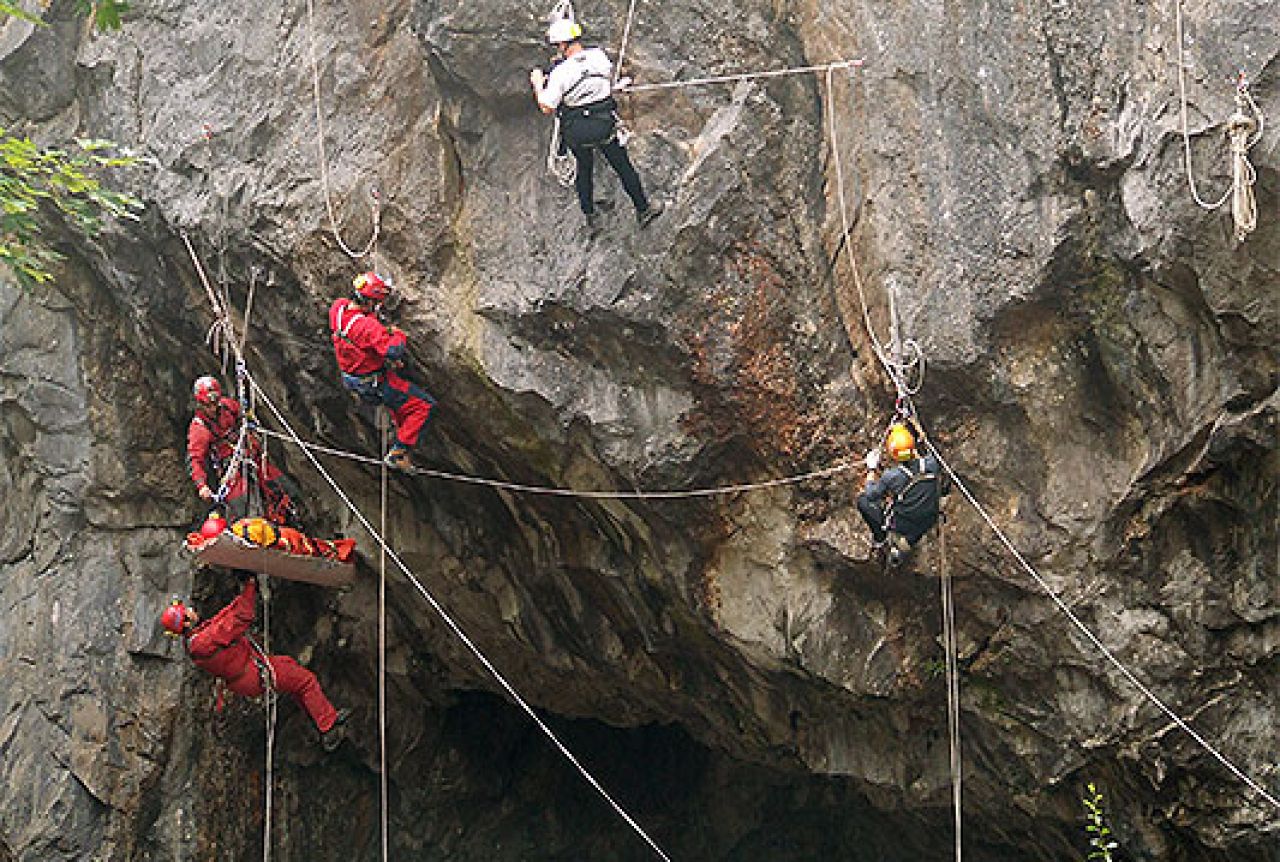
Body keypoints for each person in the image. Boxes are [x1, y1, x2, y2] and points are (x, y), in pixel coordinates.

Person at [160, 574, 350, 751]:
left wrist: (244, 589)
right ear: (184, 622)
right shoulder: (204, 641)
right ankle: (328, 728)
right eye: (186, 611)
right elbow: (241, 616)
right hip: (252, 673)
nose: (191, 610)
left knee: (291, 669)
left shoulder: (197, 639)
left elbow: (225, 617)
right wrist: (250, 586)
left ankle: (317, 719)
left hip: (249, 671)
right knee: (305, 680)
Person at [529, 18, 663, 234]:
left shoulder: (560, 74)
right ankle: (643, 209)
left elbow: (546, 106)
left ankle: (591, 218)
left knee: (584, 168)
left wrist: (537, 84)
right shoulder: (599, 56)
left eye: (557, 46)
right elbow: (606, 82)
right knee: (622, 165)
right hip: (604, 125)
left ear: (563, 45)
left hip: (577, 132)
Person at [329, 272, 435, 471]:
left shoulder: (338, 309)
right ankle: (399, 452)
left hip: (354, 377)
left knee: (400, 395)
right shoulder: (367, 327)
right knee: (424, 405)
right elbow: (394, 350)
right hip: (374, 383)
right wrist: (397, 334)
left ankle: (399, 425)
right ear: (370, 302)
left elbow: (364, 345)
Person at [187, 376, 296, 523]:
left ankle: (291, 521)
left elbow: (244, 415)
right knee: (240, 504)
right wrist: (202, 486)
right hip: (231, 470)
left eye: (215, 403)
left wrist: (251, 427)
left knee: (279, 486)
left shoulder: (227, 407)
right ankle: (248, 529)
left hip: (252, 456)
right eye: (208, 405)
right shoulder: (199, 429)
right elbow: (195, 460)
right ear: (200, 404)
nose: (213, 408)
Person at [856, 422, 945, 565]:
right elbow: (927, 445)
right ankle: (906, 543)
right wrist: (916, 427)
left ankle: (882, 538)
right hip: (928, 519)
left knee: (863, 502)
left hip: (903, 524)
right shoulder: (932, 463)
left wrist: (871, 469)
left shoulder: (892, 477)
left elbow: (871, 494)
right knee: (917, 513)